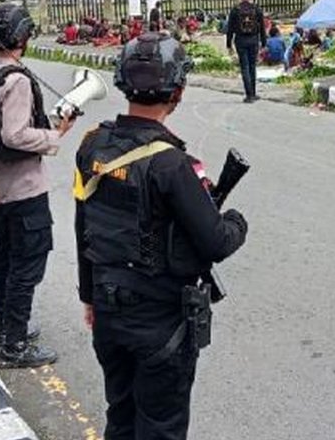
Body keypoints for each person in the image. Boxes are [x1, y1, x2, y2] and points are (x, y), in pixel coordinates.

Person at [75, 33, 248, 440]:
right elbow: (217, 242)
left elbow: (83, 227)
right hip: (160, 322)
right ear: (179, 90)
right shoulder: (171, 164)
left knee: (121, 416)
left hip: (108, 310)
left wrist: (89, 297)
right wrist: (237, 220)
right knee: (161, 427)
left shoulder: (91, 146)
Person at [0, 5, 74, 367]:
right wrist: (54, 134)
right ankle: (14, 346)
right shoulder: (17, 80)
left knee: (3, 260)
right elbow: (15, 134)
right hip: (25, 190)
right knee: (26, 267)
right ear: (23, 37)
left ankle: (4, 331)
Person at [225, 0, 264, 103]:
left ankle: (249, 95)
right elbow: (262, 27)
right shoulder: (256, 9)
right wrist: (264, 42)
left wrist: (229, 44)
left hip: (240, 41)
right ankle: (254, 93)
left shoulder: (235, 10)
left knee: (245, 67)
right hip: (254, 40)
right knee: (252, 67)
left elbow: (230, 29)